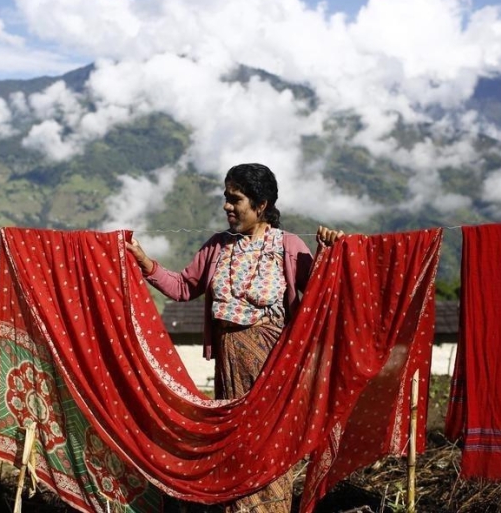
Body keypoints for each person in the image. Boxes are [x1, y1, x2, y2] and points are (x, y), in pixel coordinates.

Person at [126, 162, 342, 512]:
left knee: (268, 446)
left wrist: (329, 253)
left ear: (261, 205)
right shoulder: (217, 247)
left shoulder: (287, 246)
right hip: (231, 369)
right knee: (237, 448)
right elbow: (183, 287)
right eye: (225, 198)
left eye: (235, 199)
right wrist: (144, 261)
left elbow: (321, 292)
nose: (227, 206)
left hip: (272, 369)